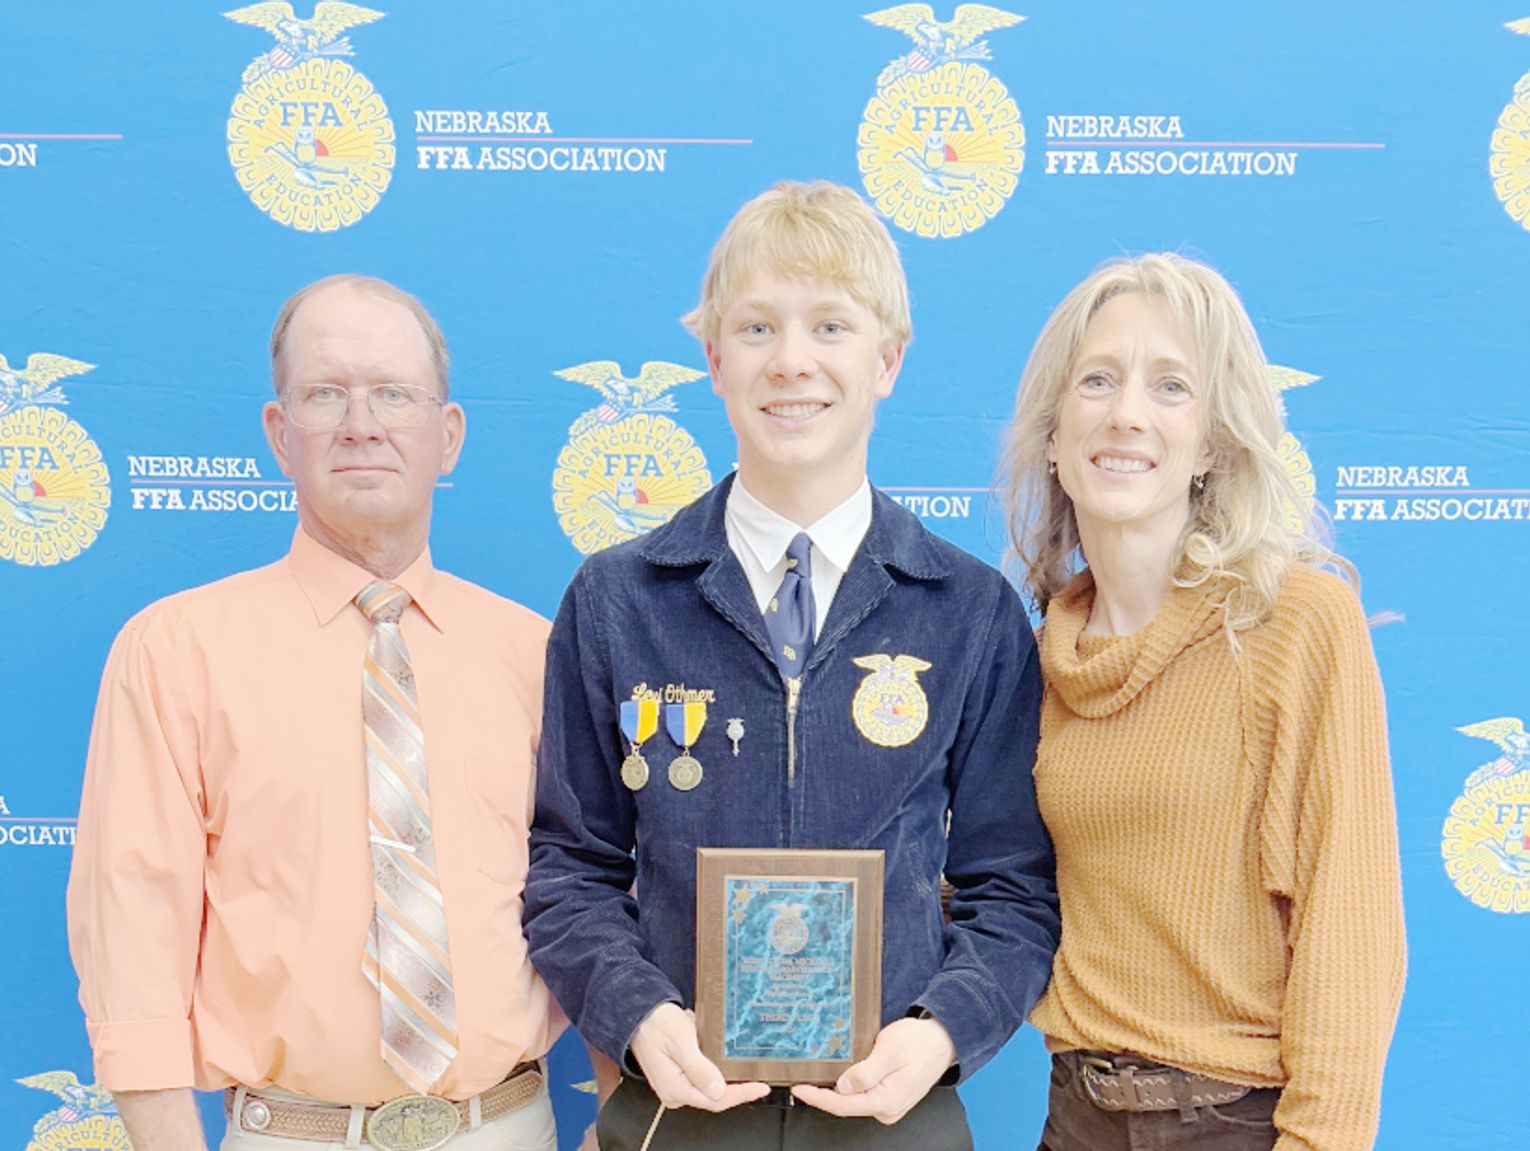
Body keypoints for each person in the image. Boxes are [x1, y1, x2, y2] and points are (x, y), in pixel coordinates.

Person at [524, 179, 1061, 1151]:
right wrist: (638, 1013)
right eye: (758, 327)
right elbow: (570, 870)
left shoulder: (969, 611)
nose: (792, 361)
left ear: (888, 359)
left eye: (831, 326)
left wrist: (942, 1031)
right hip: (678, 1113)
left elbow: (1015, 888)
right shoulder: (617, 599)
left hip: (892, 1116)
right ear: (713, 359)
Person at [67, 275, 563, 1151]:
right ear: (279, 433)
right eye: (326, 393)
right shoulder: (175, 651)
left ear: (448, 435)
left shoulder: (538, 654)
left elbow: (588, 898)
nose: (361, 422)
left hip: (507, 1127)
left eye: (394, 394)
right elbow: (132, 924)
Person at [1002, 253, 1406, 1151]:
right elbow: (999, 892)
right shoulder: (1038, 657)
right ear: (1054, 436)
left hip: (1235, 1125)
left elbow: (1351, 931)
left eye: (1171, 386)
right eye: (1097, 380)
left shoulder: (1296, 622)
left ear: (1213, 444)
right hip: (1075, 1117)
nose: (1127, 413)